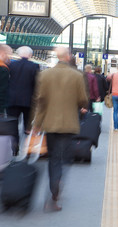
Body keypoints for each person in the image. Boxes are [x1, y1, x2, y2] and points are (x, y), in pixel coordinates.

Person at [33, 47, 88, 211]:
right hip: (69, 125)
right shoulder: (77, 76)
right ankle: (57, 186)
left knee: (54, 159)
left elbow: (40, 102)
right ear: (69, 56)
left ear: (57, 56)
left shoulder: (45, 75)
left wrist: (36, 124)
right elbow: (83, 100)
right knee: (65, 159)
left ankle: (53, 189)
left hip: (50, 124)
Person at [8, 46, 39, 154]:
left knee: (13, 124)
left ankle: (14, 146)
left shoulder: (11, 65)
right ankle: (27, 148)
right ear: (30, 55)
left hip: (12, 101)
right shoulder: (34, 66)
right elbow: (36, 84)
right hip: (28, 101)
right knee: (28, 126)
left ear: (19, 54)